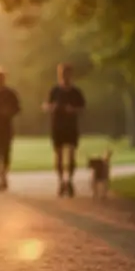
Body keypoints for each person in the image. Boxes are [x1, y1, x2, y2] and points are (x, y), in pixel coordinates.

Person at [41, 63, 85, 197]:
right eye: (62, 74)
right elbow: (45, 106)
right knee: (59, 156)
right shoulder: (55, 91)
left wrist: (73, 110)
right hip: (57, 127)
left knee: (71, 155)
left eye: (67, 74)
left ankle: (70, 181)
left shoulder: (76, 92)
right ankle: (61, 182)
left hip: (71, 127)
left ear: (71, 75)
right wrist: (51, 107)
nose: (65, 77)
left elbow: (82, 107)